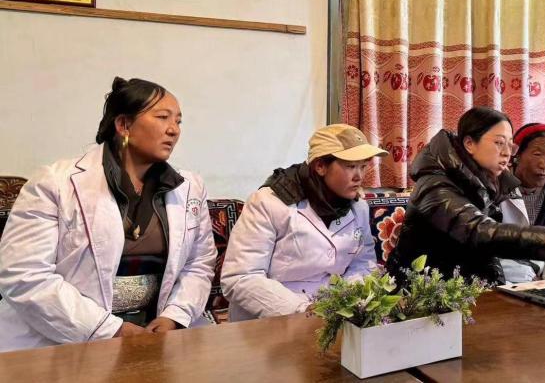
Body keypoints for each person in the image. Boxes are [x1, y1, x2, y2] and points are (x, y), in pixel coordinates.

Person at [0, 77, 216, 352]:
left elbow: (199, 263)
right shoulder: (54, 183)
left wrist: (174, 316)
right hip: (62, 336)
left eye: (178, 121)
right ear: (123, 125)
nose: (173, 130)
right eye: (163, 117)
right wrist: (109, 329)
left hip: (155, 332)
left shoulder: (189, 187)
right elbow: (24, 275)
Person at [386, 107, 545, 285]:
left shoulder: (488, 183)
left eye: (510, 145)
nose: (507, 153)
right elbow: (482, 233)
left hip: (468, 288)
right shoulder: (435, 186)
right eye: (499, 143)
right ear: (469, 144)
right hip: (420, 293)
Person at [221, 124, 386, 321]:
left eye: (363, 166)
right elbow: (241, 277)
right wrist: (303, 309)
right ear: (320, 166)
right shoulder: (268, 202)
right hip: (270, 319)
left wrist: (347, 301)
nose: (359, 176)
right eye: (351, 166)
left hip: (330, 317)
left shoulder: (359, 208)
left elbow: (363, 264)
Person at [499, 123, 545, 282]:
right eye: (537, 154)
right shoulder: (496, 186)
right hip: (503, 282)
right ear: (517, 155)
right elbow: (482, 247)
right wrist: (524, 274)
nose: (544, 165)